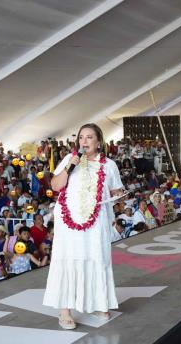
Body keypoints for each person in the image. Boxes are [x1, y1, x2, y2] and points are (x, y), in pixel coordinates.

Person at [44, 123, 123, 330]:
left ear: (99, 142)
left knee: (96, 257)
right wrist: (70, 166)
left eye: (89, 137)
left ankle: (97, 303)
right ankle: (64, 310)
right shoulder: (69, 160)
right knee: (68, 258)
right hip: (69, 221)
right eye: (81, 137)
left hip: (96, 220)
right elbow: (56, 186)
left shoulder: (110, 165)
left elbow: (116, 191)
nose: (84, 141)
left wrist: (120, 195)